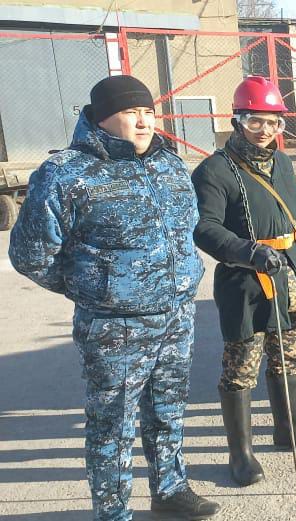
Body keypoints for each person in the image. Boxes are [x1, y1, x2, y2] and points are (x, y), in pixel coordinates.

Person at [9, 75, 219, 520]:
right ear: (102, 118)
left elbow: (186, 228)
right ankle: (114, 512)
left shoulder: (169, 164)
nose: (143, 121)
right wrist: (95, 287)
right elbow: (30, 254)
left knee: (168, 408)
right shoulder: (66, 172)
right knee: (112, 424)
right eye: (130, 112)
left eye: (148, 111)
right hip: (115, 326)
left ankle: (170, 488)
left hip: (176, 315)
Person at [192, 76, 296, 486]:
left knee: (290, 357)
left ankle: (291, 428)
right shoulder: (214, 171)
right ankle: (242, 454)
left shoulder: (284, 163)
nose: (266, 131)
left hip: (289, 276)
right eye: (257, 122)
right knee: (241, 369)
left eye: (274, 122)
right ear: (238, 121)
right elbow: (204, 227)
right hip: (246, 285)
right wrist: (247, 251)